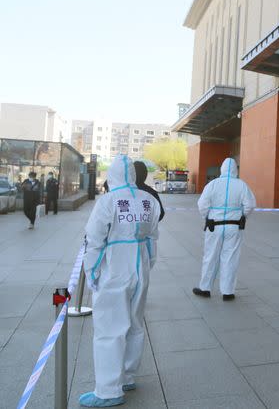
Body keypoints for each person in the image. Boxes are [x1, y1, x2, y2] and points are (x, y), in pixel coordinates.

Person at [80, 155, 161, 407]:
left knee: (109, 327)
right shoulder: (148, 200)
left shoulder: (108, 201)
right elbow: (153, 237)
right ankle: (127, 376)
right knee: (135, 322)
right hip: (141, 265)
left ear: (112, 175)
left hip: (115, 267)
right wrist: (147, 265)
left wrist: (91, 271)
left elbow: (94, 239)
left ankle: (107, 391)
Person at [193, 157, 255, 300]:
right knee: (230, 258)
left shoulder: (212, 184)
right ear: (235, 170)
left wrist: (207, 217)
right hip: (234, 226)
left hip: (214, 225)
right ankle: (227, 292)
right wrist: (243, 216)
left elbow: (202, 204)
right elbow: (250, 205)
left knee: (210, 257)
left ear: (222, 169)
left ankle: (205, 288)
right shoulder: (242, 185)